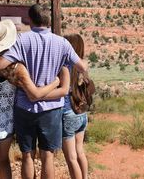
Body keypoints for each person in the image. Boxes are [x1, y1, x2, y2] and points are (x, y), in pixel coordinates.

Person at [0, 4, 88, 179]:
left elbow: (0, 65)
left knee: (27, 156)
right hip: (52, 110)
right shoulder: (62, 43)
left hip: (24, 107)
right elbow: (82, 66)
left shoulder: (22, 40)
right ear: (48, 20)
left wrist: (18, 69)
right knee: (48, 157)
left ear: (30, 20)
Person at [0, 20, 70, 179]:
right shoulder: (17, 68)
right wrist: (56, 82)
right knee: (4, 160)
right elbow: (35, 94)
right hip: (5, 118)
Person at [62, 34, 89, 179]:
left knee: (71, 158)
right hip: (82, 113)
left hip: (68, 113)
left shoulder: (66, 66)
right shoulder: (82, 67)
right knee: (80, 152)